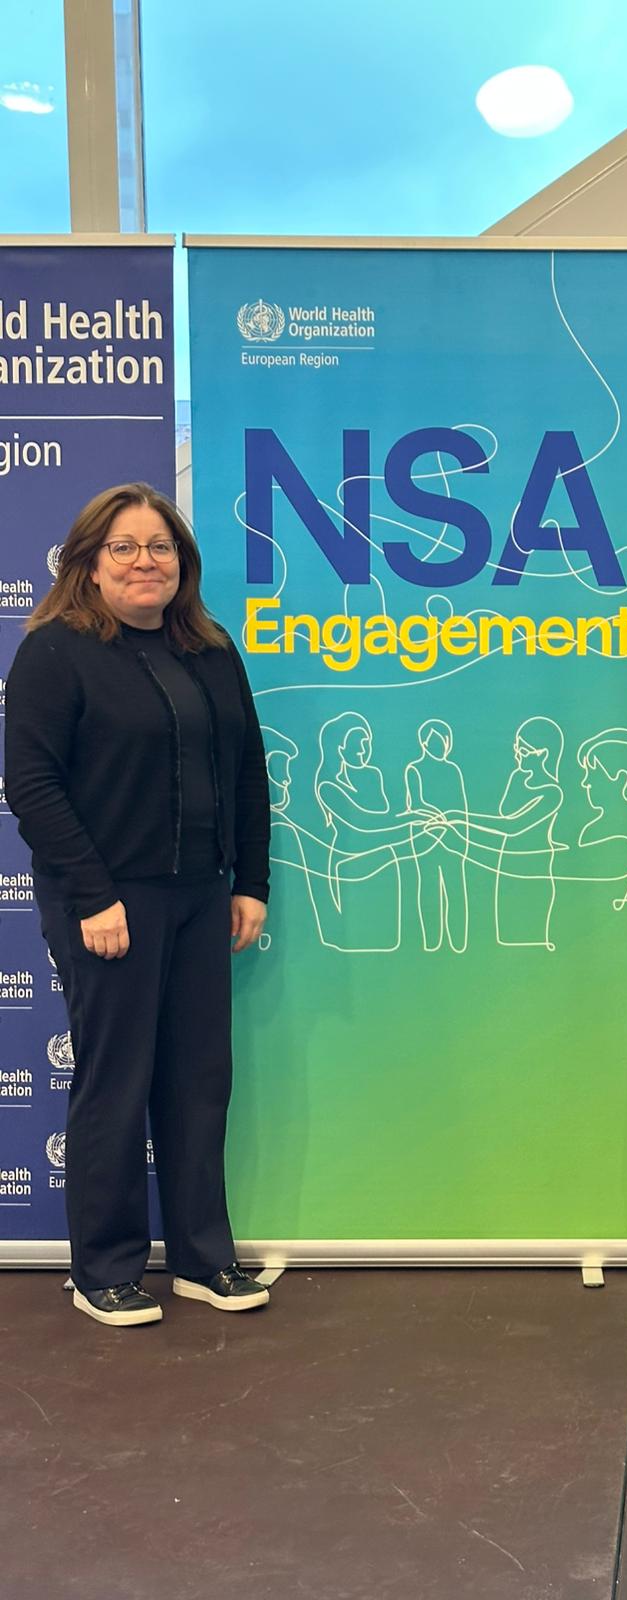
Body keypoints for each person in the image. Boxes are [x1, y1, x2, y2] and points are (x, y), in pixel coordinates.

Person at [4, 483, 273, 1327]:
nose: (144, 561)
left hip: (200, 896)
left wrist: (250, 882)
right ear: (88, 561)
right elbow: (33, 786)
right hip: (106, 904)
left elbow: (246, 773)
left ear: (181, 564)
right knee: (116, 1082)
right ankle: (104, 1271)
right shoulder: (56, 652)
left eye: (159, 547)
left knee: (198, 1080)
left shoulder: (208, 648)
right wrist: (93, 894)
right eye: (123, 547)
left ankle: (201, 1259)